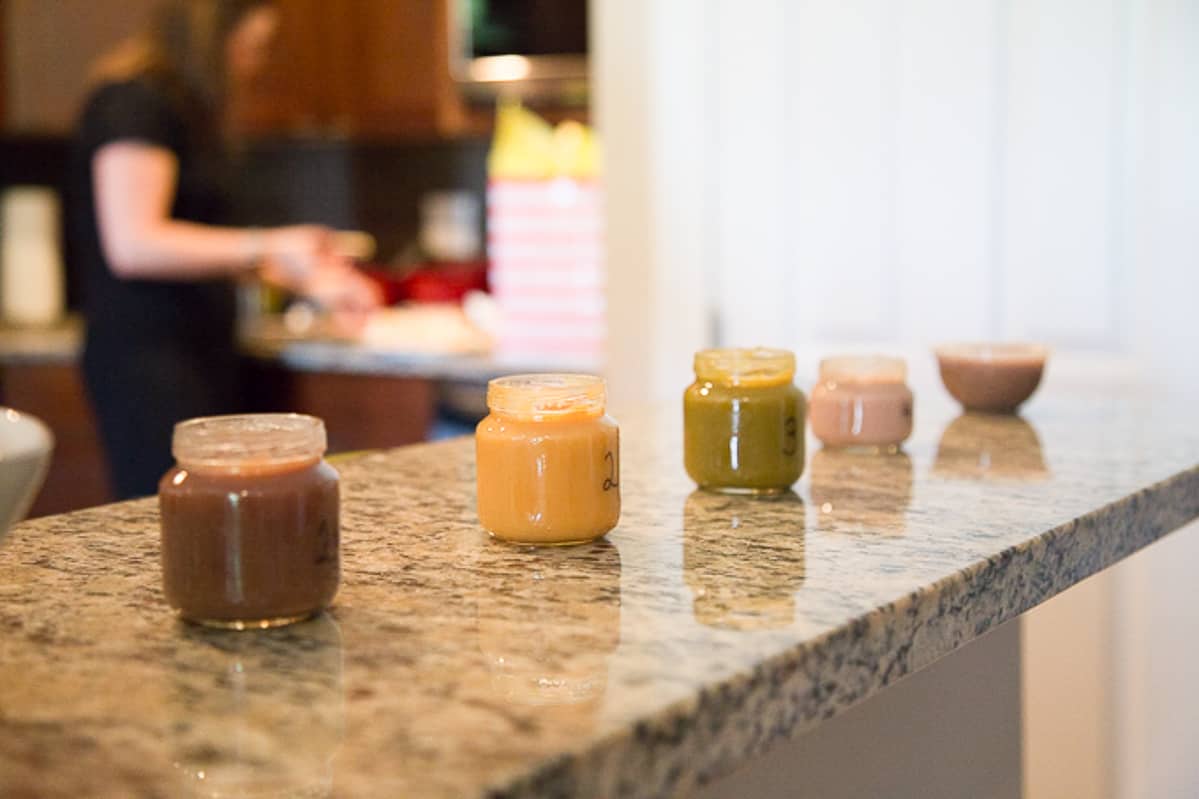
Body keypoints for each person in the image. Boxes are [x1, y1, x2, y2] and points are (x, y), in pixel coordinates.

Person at [69, 0, 381, 499]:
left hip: (196, 351)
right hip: (147, 361)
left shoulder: (186, 111)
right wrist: (271, 243)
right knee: (168, 517)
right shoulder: (134, 103)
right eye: (252, 45)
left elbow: (199, 244)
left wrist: (309, 279)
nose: (255, 61)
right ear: (211, 34)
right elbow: (133, 242)